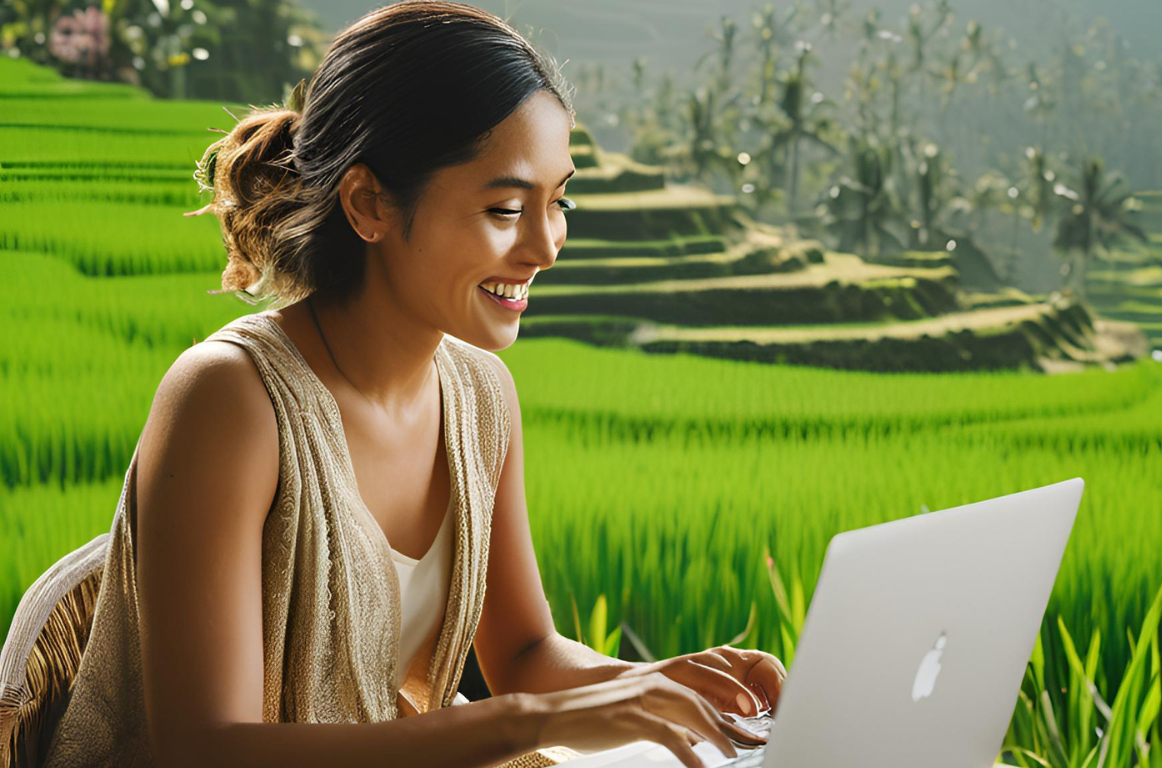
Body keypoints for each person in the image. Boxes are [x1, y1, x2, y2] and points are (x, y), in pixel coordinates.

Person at [23, 3, 784, 766]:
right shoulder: (231, 399)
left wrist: (661, 687)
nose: (546, 247)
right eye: (507, 208)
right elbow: (205, 752)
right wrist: (519, 726)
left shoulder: (482, 398)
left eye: (560, 203)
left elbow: (521, 652)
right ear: (369, 203)